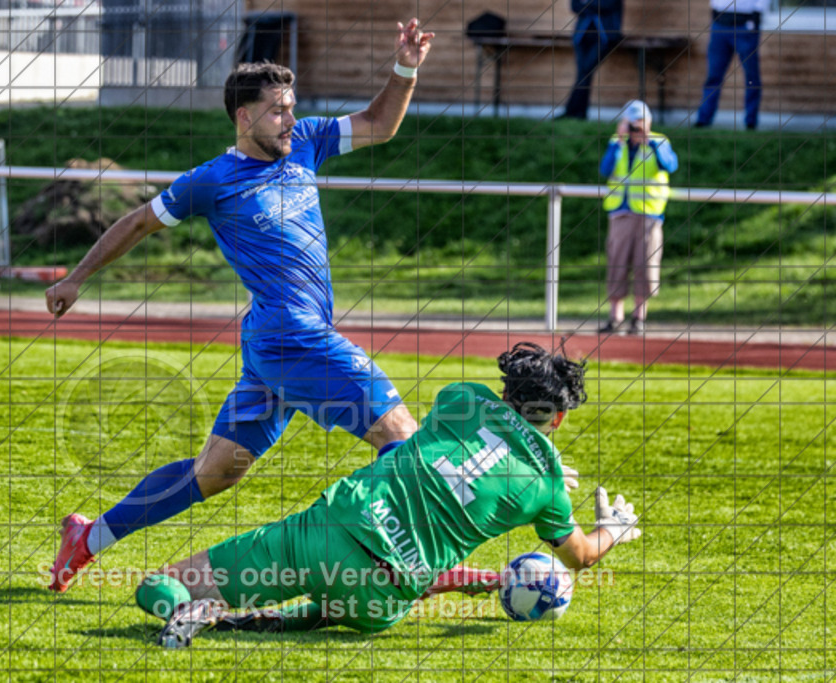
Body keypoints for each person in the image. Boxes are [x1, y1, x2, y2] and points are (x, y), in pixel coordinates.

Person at [44, 20, 435, 593]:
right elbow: (137, 223)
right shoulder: (212, 181)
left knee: (214, 473)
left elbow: (379, 123)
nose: (291, 120)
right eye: (278, 110)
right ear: (243, 116)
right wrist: (77, 278)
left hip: (276, 344)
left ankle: (89, 537)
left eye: (292, 107)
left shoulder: (306, 144)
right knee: (402, 437)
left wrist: (406, 66)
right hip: (292, 337)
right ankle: (411, 567)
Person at [133, 343, 643, 647]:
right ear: (558, 418)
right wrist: (613, 529)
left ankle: (190, 606)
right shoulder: (546, 487)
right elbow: (579, 556)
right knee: (356, 599)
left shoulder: (461, 398)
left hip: (328, 531)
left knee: (162, 583)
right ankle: (276, 618)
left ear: (506, 390)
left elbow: (456, 447)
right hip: (382, 598)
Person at [598, 100, 678, 335]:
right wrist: (620, 140)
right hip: (621, 212)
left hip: (649, 214)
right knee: (617, 264)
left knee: (646, 264)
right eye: (632, 124)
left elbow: (669, 165)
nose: (635, 129)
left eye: (639, 124)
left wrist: (649, 141)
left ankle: (639, 319)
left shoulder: (659, 141)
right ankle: (615, 318)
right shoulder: (617, 143)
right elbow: (605, 169)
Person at [695, 0, 767, 131]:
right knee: (713, 76)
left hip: (745, 24)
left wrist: (758, 12)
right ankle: (703, 120)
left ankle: (751, 122)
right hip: (720, 23)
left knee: (751, 77)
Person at [560, 0, 624, 120]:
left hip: (604, 37)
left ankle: (572, 112)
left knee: (585, 73)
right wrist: (592, 5)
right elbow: (575, 6)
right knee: (583, 74)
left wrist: (586, 4)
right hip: (581, 36)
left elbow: (608, 5)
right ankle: (578, 113)